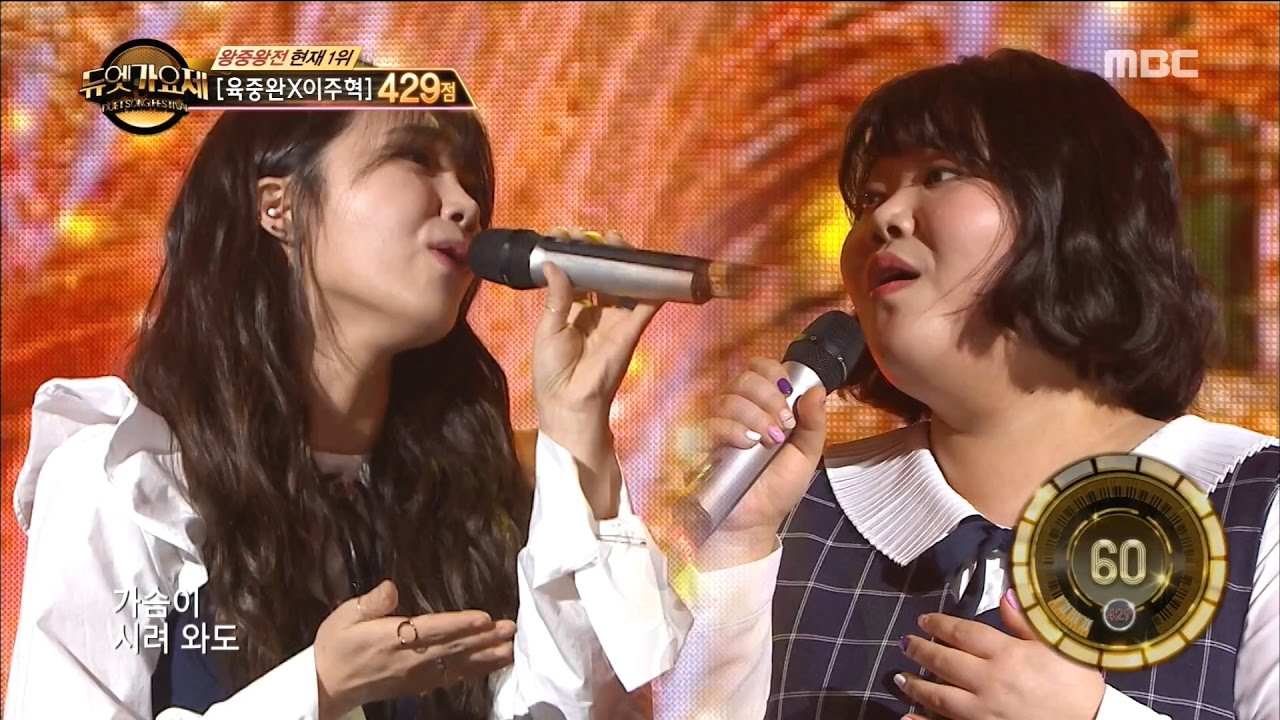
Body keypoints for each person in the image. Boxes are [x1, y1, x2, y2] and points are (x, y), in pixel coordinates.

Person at [651, 48, 1278, 719]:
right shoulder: (790, 512)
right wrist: (738, 549)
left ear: (1082, 215)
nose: (884, 219)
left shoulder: (1252, 506)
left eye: (940, 175)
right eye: (871, 197)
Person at [5, 107, 691, 719]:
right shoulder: (126, 478)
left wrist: (577, 426)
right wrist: (319, 689)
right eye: (414, 158)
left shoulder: (484, 489)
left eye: (470, 182)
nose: (466, 206)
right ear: (279, 206)